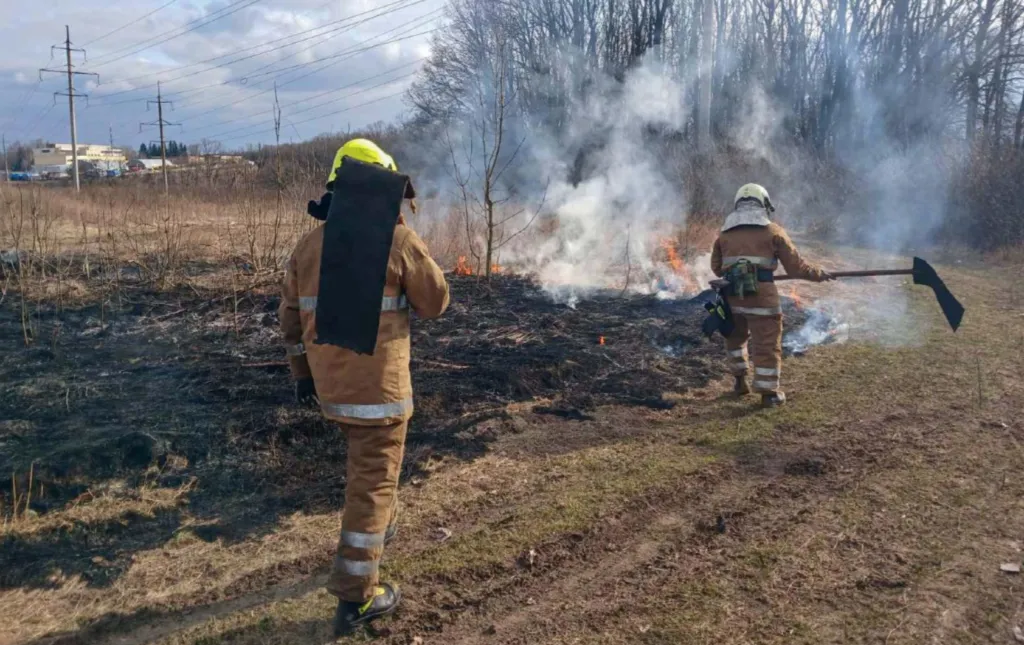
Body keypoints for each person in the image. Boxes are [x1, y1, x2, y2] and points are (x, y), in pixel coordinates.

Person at [279, 138, 450, 636]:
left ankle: (378, 533)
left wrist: (301, 378)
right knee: (372, 484)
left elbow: (289, 320)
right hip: (381, 397)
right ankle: (357, 597)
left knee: (372, 479)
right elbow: (435, 301)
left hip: (333, 393)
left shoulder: (308, 248)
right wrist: (405, 236)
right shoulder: (398, 242)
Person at [710, 183, 833, 408]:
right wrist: (818, 275)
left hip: (732, 298)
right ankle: (768, 394)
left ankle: (739, 382)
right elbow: (796, 268)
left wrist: (738, 271)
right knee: (766, 343)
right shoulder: (773, 231)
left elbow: (717, 268)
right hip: (762, 300)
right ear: (764, 204)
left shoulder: (723, 235)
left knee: (735, 339)